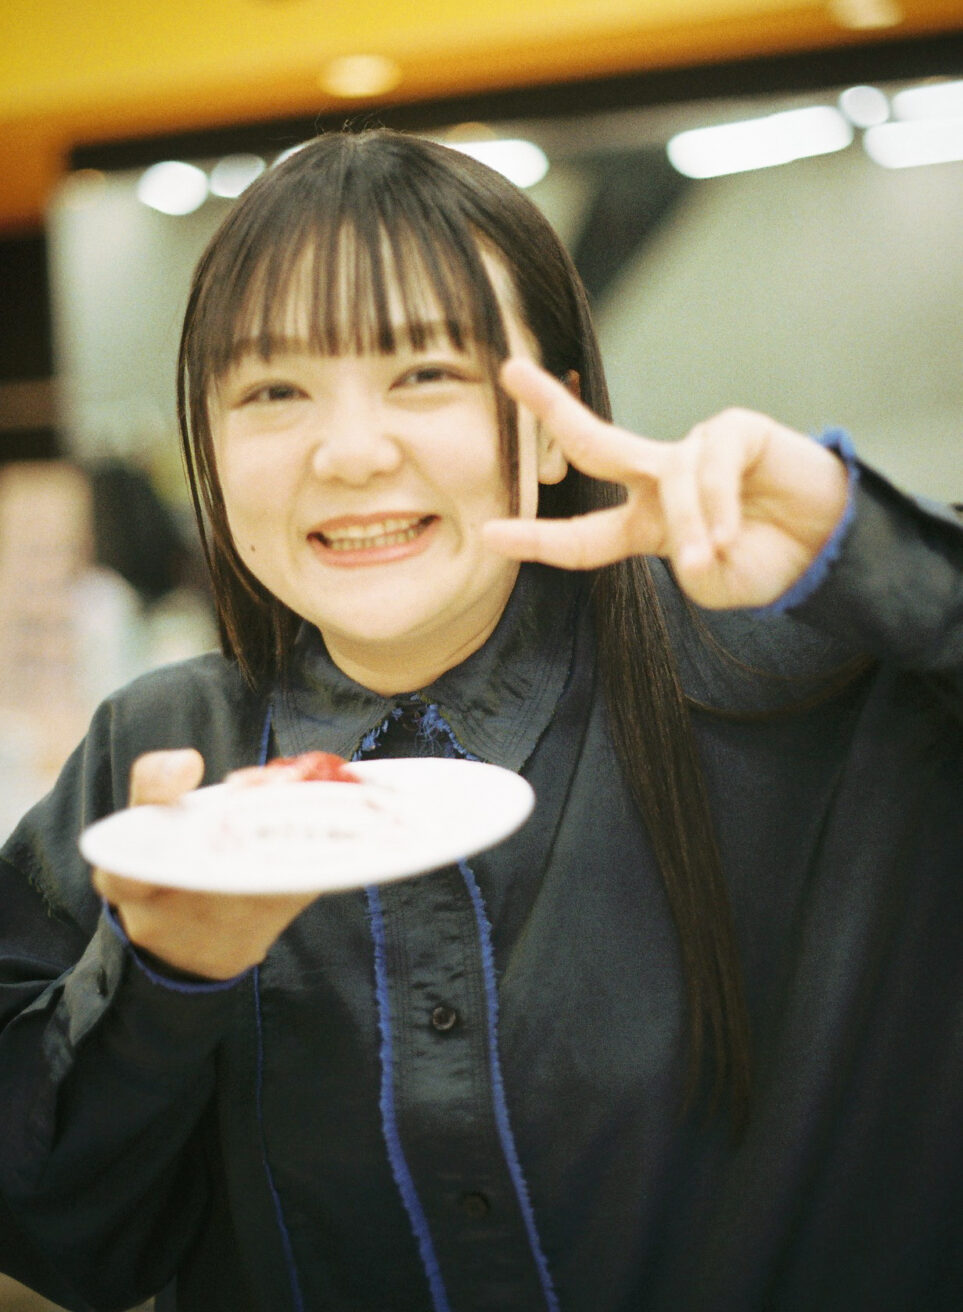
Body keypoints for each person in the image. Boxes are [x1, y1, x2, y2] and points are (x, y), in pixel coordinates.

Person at [0, 128, 960, 1312]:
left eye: (425, 374)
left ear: (553, 422)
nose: (351, 453)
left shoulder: (799, 657)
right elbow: (54, 1232)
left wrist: (868, 551)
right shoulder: (162, 763)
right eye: (273, 392)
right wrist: (160, 981)